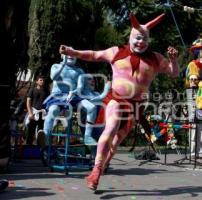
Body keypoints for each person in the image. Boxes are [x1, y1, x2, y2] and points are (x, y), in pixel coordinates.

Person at [59, 12, 179, 191]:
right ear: (131, 37)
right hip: (116, 99)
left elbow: (174, 73)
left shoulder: (155, 58)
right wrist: (72, 52)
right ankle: (96, 169)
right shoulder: (116, 51)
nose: (141, 42)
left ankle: (104, 164)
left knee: (116, 141)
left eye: (145, 39)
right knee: (111, 127)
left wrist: (174, 60)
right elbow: (93, 55)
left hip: (135, 105)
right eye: (138, 38)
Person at [42, 55, 84, 143]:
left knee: (86, 109)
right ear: (62, 56)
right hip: (58, 96)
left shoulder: (80, 71)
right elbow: (53, 77)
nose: (70, 55)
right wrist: (63, 64)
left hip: (73, 97)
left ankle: (88, 136)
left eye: (72, 53)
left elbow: (82, 87)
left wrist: (75, 92)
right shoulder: (56, 66)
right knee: (53, 110)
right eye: (67, 53)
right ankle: (45, 138)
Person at [67, 74, 111, 145]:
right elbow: (92, 103)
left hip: (100, 124)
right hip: (87, 125)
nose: (93, 80)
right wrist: (105, 91)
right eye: (89, 79)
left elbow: (103, 101)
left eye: (93, 79)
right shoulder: (81, 94)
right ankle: (88, 138)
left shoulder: (96, 93)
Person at [25, 75, 49, 145]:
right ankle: (28, 148)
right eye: (40, 80)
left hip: (43, 114)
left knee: (40, 132)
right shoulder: (32, 90)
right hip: (34, 113)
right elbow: (28, 101)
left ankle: (39, 150)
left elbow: (49, 102)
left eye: (43, 80)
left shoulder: (47, 91)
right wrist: (30, 113)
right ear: (37, 81)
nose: (42, 81)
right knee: (30, 132)